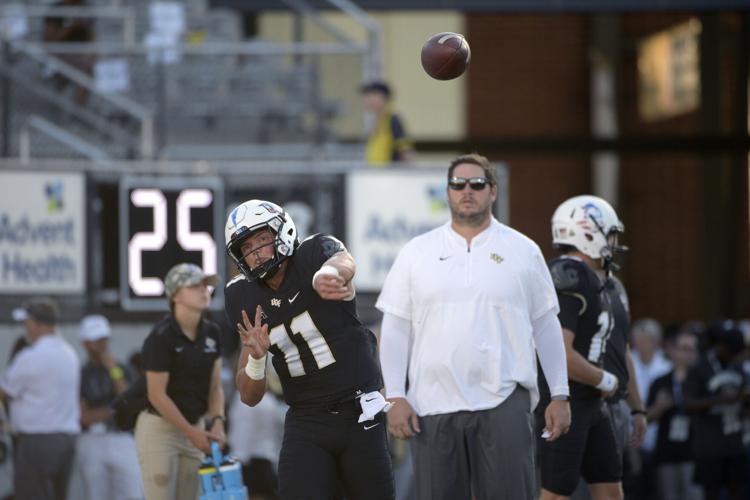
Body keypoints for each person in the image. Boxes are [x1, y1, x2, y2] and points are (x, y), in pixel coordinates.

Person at [376, 153, 571, 500]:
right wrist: (395, 396)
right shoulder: (416, 252)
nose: (467, 191)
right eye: (458, 184)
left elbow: (545, 325)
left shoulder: (524, 251)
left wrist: (559, 393)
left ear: (492, 191)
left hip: (505, 399)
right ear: (448, 192)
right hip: (432, 405)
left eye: (477, 184)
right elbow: (395, 329)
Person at [224, 199, 395, 500]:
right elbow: (249, 396)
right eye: (246, 248)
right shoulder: (242, 296)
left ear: (282, 231)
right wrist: (256, 358)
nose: (256, 252)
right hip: (305, 419)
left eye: (262, 239)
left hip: (358, 411)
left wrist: (328, 275)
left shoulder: (313, 256)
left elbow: (343, 260)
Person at [538, 195, 629, 500]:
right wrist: (604, 379)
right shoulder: (570, 275)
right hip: (566, 400)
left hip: (590, 403)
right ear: (588, 232)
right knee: (555, 491)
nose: (614, 243)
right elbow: (559, 354)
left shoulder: (594, 279)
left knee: (610, 486)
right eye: (610, 234)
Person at [135, 263, 226, 500]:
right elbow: (157, 395)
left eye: (205, 285)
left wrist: (217, 421)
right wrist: (191, 432)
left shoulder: (212, 333)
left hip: (196, 425)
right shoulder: (161, 336)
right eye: (195, 286)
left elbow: (215, 386)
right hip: (160, 428)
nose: (204, 290)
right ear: (175, 295)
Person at [0, 298, 80, 500]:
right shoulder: (70, 353)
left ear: (36, 324)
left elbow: (5, 392)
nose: (25, 328)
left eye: (27, 323)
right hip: (66, 441)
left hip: (38, 441)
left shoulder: (31, 356)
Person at [74, 314, 143, 500]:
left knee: (132, 492)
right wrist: (113, 409)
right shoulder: (81, 373)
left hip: (121, 437)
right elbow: (84, 416)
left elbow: (129, 401)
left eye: (104, 339)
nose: (102, 344)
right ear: (86, 343)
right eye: (96, 340)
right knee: (96, 494)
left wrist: (114, 370)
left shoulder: (122, 368)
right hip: (92, 439)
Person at [683, 320, 747, 500]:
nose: (735, 356)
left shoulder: (738, 366)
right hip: (709, 445)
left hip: (735, 441)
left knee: (738, 491)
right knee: (711, 493)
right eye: (732, 352)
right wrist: (719, 400)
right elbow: (687, 404)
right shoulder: (699, 368)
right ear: (720, 347)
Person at [646, 327, 702, 500]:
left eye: (692, 349)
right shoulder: (660, 381)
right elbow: (646, 418)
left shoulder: (702, 380)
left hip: (695, 452)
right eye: (684, 349)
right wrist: (659, 407)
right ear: (673, 351)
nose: (688, 354)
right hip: (667, 453)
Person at [360, 81, 415, 166]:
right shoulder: (378, 121)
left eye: (372, 95)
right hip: (377, 175)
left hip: (389, 176)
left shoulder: (393, 120)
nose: (367, 99)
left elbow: (405, 151)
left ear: (384, 97)